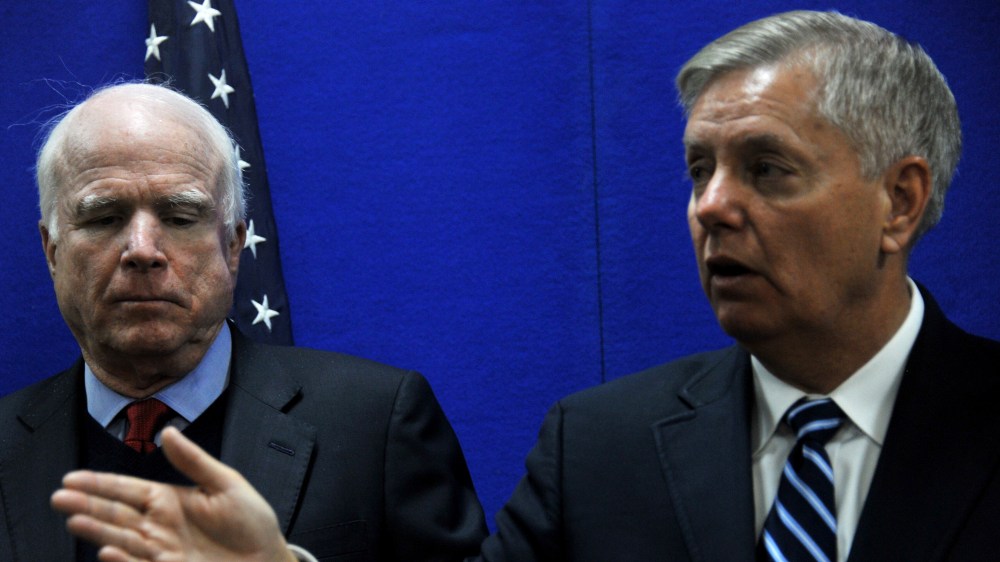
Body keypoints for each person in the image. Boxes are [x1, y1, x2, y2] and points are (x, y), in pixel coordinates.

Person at [50, 10, 1000, 562]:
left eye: (767, 169)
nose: (711, 207)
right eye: (698, 171)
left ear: (899, 201)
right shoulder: (599, 448)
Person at [0, 82, 486, 561]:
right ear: (52, 251)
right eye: (105, 218)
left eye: (180, 217)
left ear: (233, 247)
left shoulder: (377, 424)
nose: (142, 250)